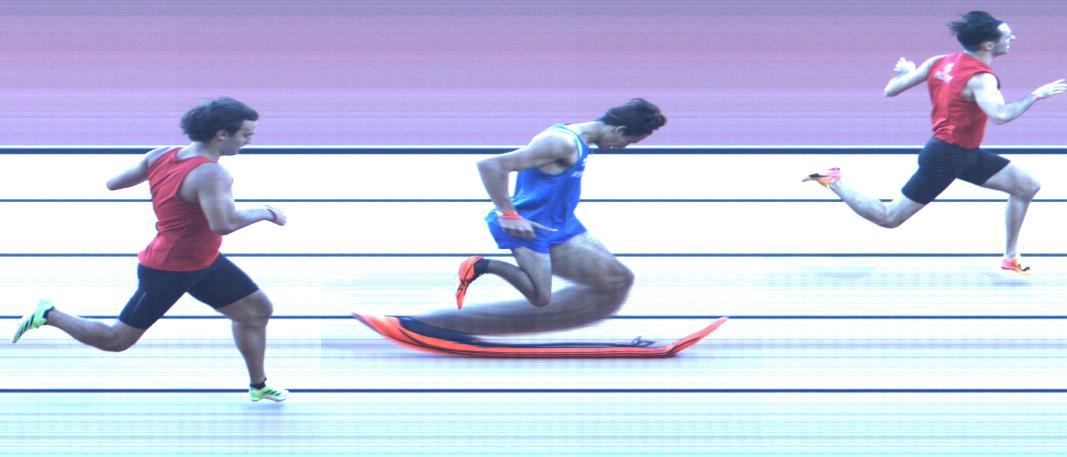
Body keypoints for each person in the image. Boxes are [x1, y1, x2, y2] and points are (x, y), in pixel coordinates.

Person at [11, 97, 289, 402]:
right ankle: (48, 314)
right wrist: (265, 212)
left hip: (203, 261)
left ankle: (258, 385)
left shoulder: (160, 155)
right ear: (221, 134)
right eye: (245, 135)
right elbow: (224, 223)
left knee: (257, 311)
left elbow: (114, 183)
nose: (249, 141)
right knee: (116, 340)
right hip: (170, 268)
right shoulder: (212, 174)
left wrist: (166, 185)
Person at [803, 11, 1066, 274]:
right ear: (988, 45)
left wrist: (905, 73)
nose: (1013, 38)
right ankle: (833, 180)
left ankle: (1010, 257)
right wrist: (1036, 95)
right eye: (1007, 36)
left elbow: (891, 89)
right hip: (946, 157)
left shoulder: (939, 62)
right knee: (889, 217)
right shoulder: (981, 79)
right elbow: (1000, 115)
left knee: (1027, 186)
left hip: (963, 153)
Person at [396, 98, 666, 337]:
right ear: (619, 129)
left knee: (619, 281)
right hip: (532, 229)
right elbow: (491, 165)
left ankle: (449, 323)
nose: (623, 147)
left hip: (562, 225)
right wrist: (508, 213)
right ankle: (445, 317)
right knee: (543, 297)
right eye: (629, 141)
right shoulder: (561, 142)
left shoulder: (577, 137)